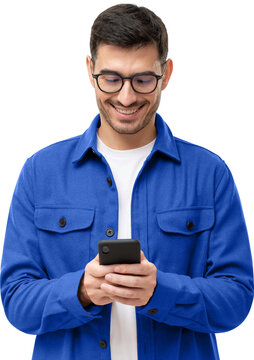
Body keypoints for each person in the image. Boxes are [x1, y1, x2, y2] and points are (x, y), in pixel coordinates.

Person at [1, 3, 253, 360]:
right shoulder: (40, 172)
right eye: (112, 78)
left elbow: (237, 298)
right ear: (90, 70)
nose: (126, 96)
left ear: (166, 74)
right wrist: (81, 291)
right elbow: (15, 300)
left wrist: (159, 291)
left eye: (143, 80)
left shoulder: (209, 173)